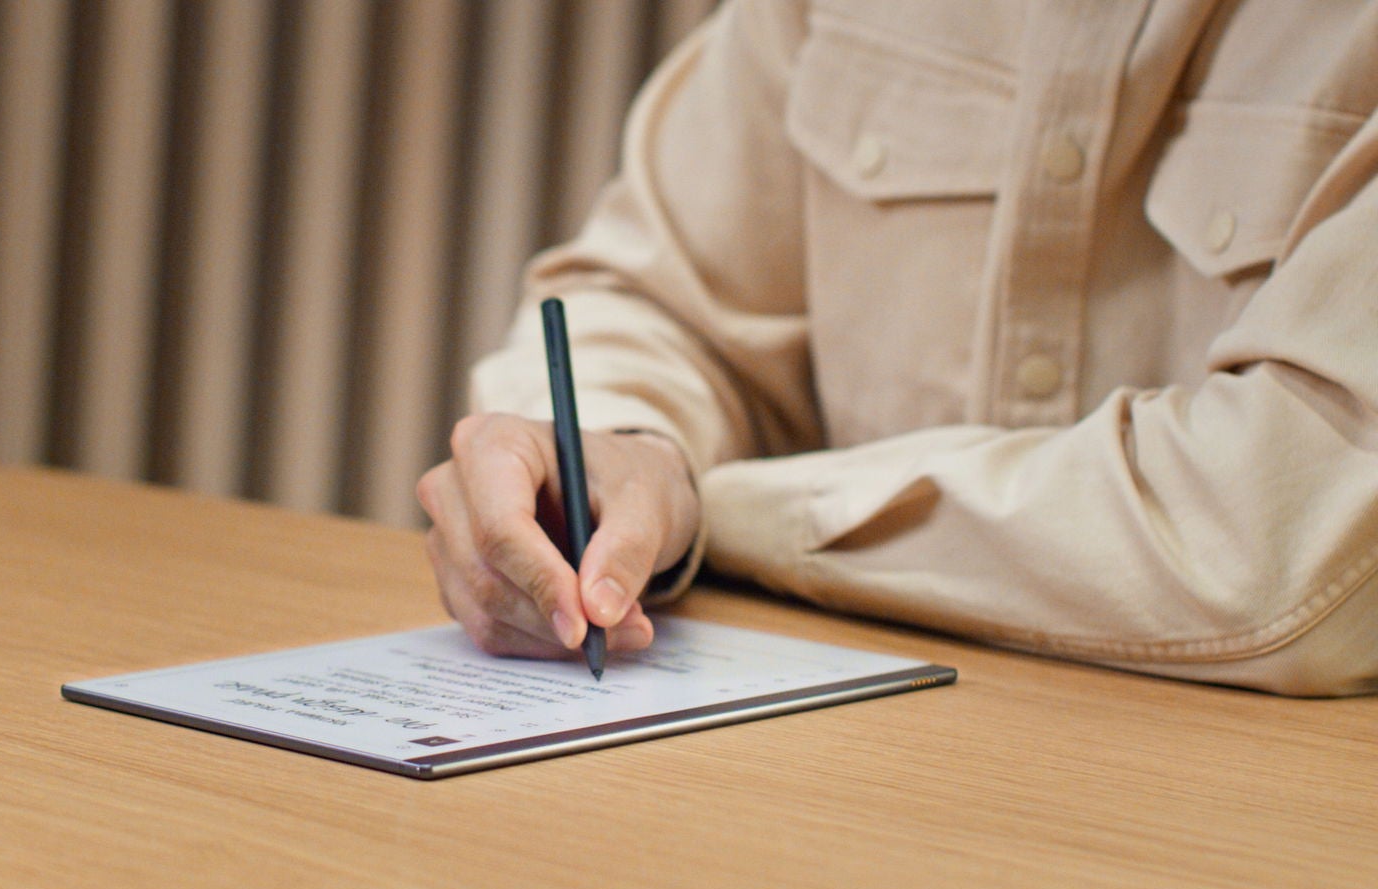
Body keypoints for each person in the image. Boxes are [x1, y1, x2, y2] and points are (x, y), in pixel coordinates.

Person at [415, 0, 1378, 697]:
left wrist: (709, 505)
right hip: (849, 769)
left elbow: (1288, 546)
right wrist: (619, 451)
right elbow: (655, 294)